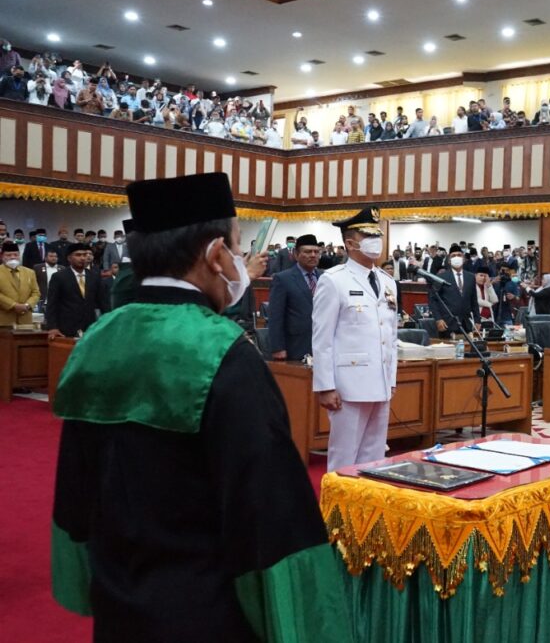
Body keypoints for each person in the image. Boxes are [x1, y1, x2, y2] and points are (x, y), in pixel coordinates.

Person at [50, 173, 343, 641]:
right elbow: (269, 513)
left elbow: (75, 488)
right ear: (214, 255)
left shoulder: (97, 341)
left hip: (119, 601)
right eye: (237, 248)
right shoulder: (222, 351)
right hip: (206, 611)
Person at [312, 207, 398, 470]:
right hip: (348, 384)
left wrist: (391, 378)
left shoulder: (387, 281)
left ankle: (367, 509)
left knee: (374, 457)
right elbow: (322, 338)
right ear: (350, 243)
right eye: (368, 236)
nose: (376, 243)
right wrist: (325, 385)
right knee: (344, 457)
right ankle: (336, 512)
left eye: (378, 236)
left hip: (380, 381)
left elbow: (390, 336)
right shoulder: (333, 280)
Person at [268, 234, 321, 361]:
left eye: (316, 252)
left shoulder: (326, 277)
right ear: (296, 255)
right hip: (296, 345)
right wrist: (277, 348)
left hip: (323, 344)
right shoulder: (283, 279)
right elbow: (275, 315)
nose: (313, 255)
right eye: (308, 252)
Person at [44, 243, 107, 338]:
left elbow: (103, 302)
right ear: (69, 258)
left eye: (85, 255)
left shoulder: (94, 276)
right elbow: (52, 304)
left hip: (90, 327)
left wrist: (108, 322)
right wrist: (53, 327)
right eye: (78, 255)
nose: (82, 258)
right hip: (66, 328)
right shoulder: (59, 277)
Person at [427, 244, 479, 339]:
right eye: (453, 256)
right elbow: (433, 300)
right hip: (447, 324)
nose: (456, 258)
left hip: (466, 323)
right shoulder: (441, 278)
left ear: (463, 259)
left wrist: (477, 320)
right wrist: (438, 319)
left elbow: (474, 300)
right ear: (449, 260)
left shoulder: (470, 277)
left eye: (459, 255)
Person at [0, 241, 41, 327]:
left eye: (16, 255)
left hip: (25, 319)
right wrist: (13, 305)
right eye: (9, 255)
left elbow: (36, 293)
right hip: (4, 320)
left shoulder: (30, 272)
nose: (13, 257)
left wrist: (27, 305)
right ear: (2, 256)